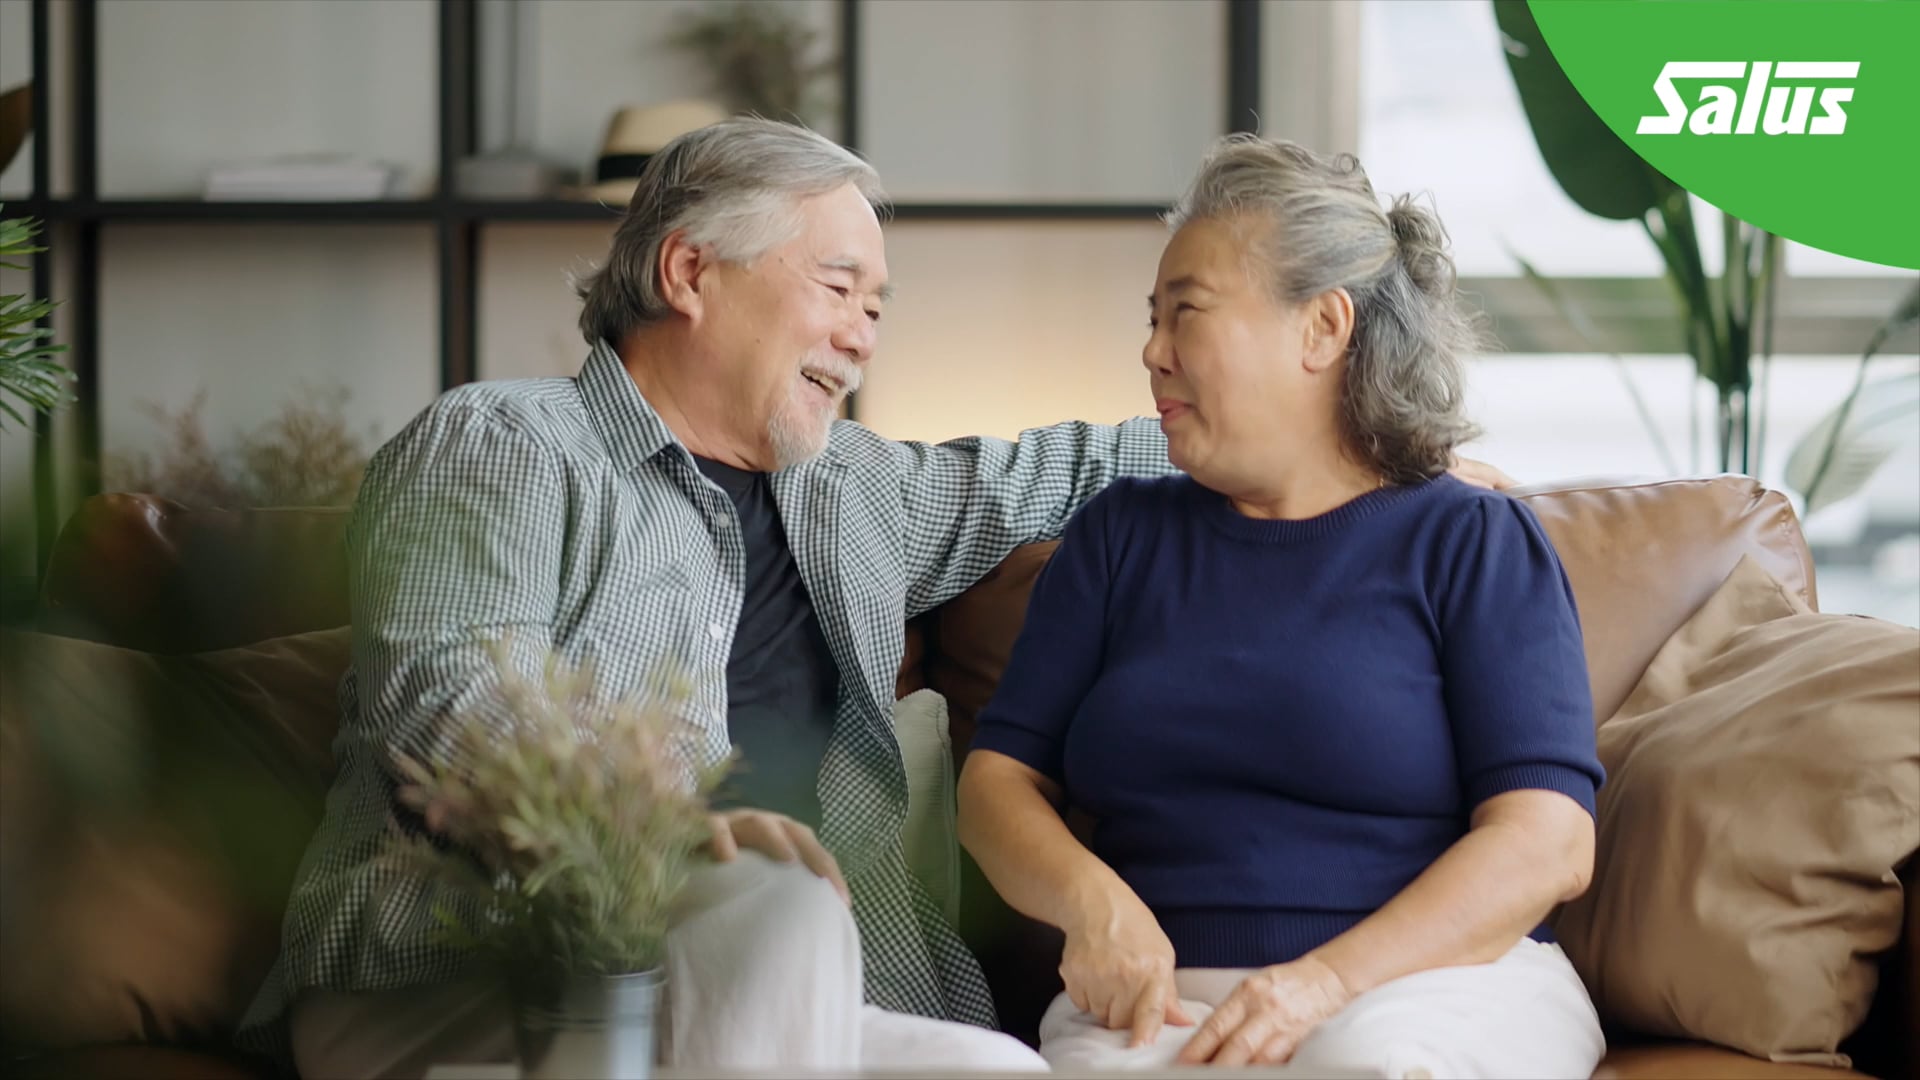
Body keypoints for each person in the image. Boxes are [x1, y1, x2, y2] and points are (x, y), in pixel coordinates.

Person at [236, 118, 1514, 1078]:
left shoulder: (852, 493)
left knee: (1006, 1069)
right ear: (690, 273)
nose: (865, 333)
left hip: (788, 997)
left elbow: (1055, 467)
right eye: (839, 287)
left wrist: (1360, 444)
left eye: (879, 306)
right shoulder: (506, 446)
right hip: (488, 978)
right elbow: (452, 703)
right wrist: (669, 825)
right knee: (769, 900)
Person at [957, 135, 1607, 1080]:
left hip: (1431, 987)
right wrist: (1094, 906)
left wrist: (1321, 983)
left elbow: (1548, 843)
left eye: (1187, 314)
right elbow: (996, 786)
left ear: (1323, 329)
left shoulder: (1471, 541)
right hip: (1162, 1005)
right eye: (1152, 317)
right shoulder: (1121, 537)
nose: (1151, 350)